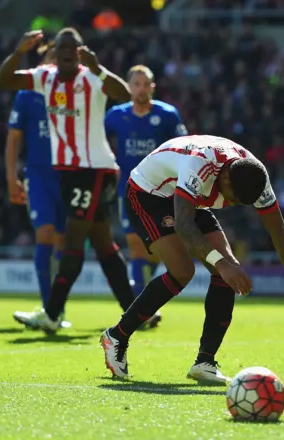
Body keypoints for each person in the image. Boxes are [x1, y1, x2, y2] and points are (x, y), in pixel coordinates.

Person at [100, 135, 284, 381]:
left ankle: (204, 362)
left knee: (230, 271)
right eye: (232, 198)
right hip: (149, 193)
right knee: (183, 271)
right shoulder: (200, 166)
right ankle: (117, 336)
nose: (232, 204)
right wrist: (221, 264)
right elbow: (184, 224)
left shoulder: (256, 176)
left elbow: (279, 234)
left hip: (191, 200)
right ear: (224, 178)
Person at [0, 28, 136, 333]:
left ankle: (51, 313)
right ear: (56, 51)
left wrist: (99, 67)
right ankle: (136, 311)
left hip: (94, 170)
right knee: (103, 245)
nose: (67, 52)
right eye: (62, 47)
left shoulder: (91, 77)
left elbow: (125, 94)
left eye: (72, 47)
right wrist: (20, 51)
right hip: (69, 172)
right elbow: (4, 80)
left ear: (80, 51)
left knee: (73, 240)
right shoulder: (45, 77)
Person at [104, 64, 188, 328]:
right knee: (136, 245)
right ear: (129, 87)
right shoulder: (115, 116)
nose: (141, 89)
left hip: (162, 191)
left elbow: (183, 149)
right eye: (136, 84)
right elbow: (100, 143)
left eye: (145, 84)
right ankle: (140, 312)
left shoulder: (167, 115)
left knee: (155, 251)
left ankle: (142, 304)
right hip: (128, 191)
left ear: (152, 87)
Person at [6, 41, 70, 329]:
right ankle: (49, 310)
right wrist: (11, 176)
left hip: (70, 175)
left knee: (64, 243)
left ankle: (56, 310)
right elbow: (14, 138)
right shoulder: (27, 94)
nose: (53, 63)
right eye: (49, 58)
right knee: (44, 235)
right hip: (40, 176)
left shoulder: (75, 93)